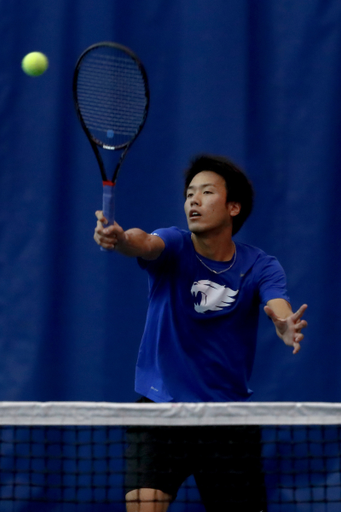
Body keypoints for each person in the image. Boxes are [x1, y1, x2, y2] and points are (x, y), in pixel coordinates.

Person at [94, 154, 308, 512]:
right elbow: (143, 242)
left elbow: (278, 305)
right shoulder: (174, 245)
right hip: (161, 414)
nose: (193, 200)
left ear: (233, 207)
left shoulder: (261, 265)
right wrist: (120, 239)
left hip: (227, 420)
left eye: (206, 192)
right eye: (190, 193)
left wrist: (285, 326)